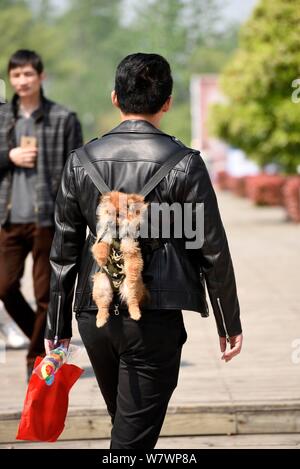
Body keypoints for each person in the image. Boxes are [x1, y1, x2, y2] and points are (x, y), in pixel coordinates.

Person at [44, 53, 243, 449]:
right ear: (167, 102)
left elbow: (64, 250)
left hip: (93, 316)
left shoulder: (80, 162)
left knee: (129, 430)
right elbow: (211, 248)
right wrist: (227, 321)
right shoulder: (185, 163)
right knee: (132, 442)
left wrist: (57, 327)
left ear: (115, 98)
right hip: (154, 316)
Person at [0, 49, 83, 379]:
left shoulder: (63, 118)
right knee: (4, 286)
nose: (22, 81)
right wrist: (10, 156)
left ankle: (37, 356)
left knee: (46, 295)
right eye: (16, 75)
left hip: (48, 219)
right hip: (8, 218)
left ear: (41, 76)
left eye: (28, 74)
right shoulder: (3, 117)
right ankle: (41, 339)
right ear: (10, 79)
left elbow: (76, 172)